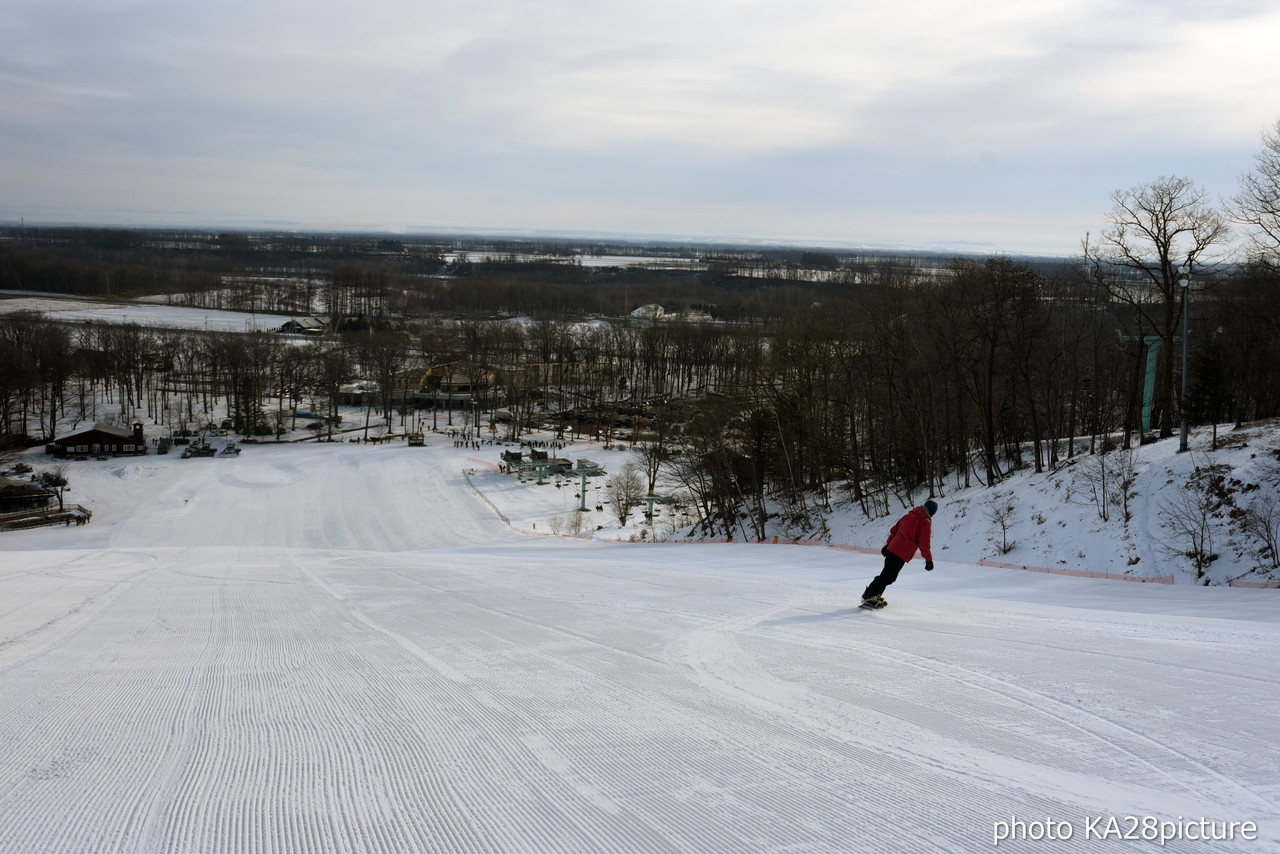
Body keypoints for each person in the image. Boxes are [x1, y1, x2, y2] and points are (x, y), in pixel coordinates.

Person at [862, 499, 937, 608]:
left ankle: (875, 596)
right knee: (888, 577)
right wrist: (928, 560)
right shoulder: (925, 521)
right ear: (932, 512)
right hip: (900, 552)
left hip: (892, 549)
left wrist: (888, 545)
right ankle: (869, 596)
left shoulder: (909, 516)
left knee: (886, 575)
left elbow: (894, 530)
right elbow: (924, 543)